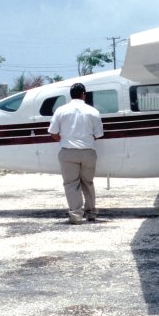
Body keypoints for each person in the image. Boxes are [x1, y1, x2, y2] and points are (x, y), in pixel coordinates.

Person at [48, 83, 104, 224]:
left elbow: (53, 133)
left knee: (71, 184)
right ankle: (91, 213)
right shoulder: (93, 111)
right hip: (88, 152)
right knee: (88, 183)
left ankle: (76, 215)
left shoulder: (61, 110)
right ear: (84, 94)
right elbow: (98, 134)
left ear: (70, 94)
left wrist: (66, 139)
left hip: (68, 152)